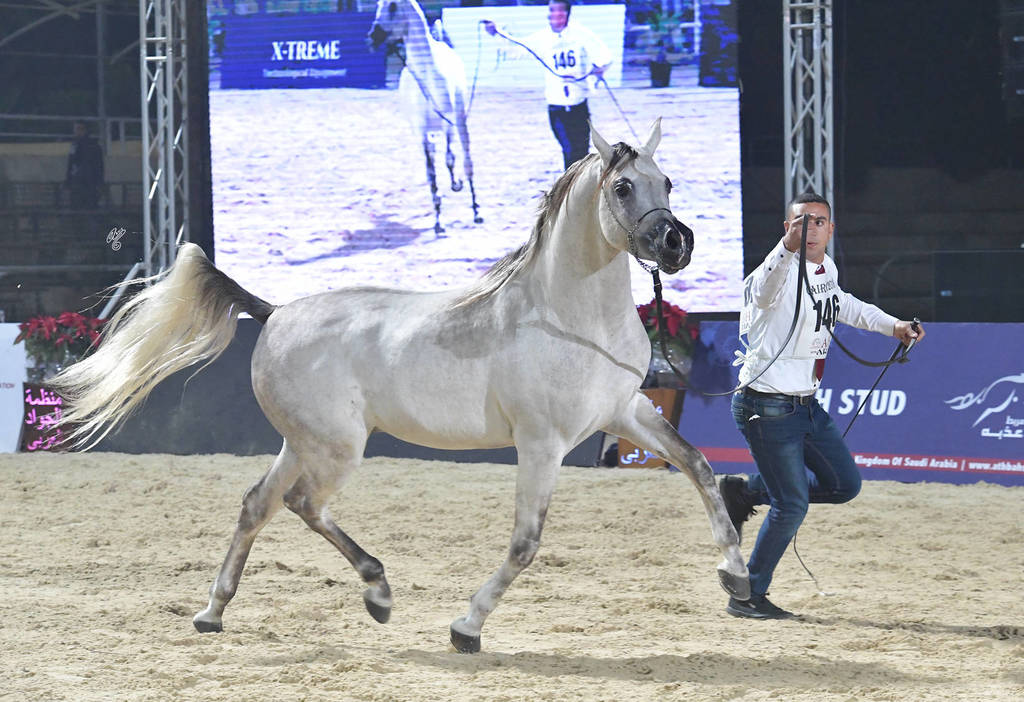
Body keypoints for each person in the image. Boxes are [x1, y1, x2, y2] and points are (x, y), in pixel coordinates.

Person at [721, 192, 925, 619]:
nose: (810, 228)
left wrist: (895, 327)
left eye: (818, 222)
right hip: (766, 404)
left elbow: (843, 304)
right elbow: (760, 294)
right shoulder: (775, 272)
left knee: (844, 484)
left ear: (831, 230)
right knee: (791, 505)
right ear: (788, 229)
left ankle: (743, 492)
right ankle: (747, 594)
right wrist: (785, 250)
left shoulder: (825, 268)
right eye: (801, 221)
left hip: (806, 405)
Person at [483, 0, 612, 170]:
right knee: (570, 151)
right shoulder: (542, 38)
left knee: (582, 151)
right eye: (552, 10)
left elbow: (604, 55)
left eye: (560, 11)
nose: (555, 15)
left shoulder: (581, 34)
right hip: (557, 108)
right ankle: (570, 190)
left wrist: (598, 68)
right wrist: (496, 34)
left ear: (567, 13)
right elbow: (517, 50)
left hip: (579, 105)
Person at [65, 120, 104, 209]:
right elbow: (100, 166)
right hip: (90, 183)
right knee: (90, 208)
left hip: (81, 183)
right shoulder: (95, 145)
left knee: (78, 208)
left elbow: (71, 163)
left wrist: (68, 179)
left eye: (77, 129)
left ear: (83, 130)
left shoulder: (76, 145)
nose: (75, 132)